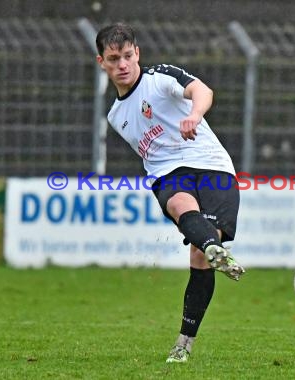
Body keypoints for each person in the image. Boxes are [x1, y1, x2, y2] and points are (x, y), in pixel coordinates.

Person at [95, 23, 246, 364]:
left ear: (138, 54)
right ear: (101, 62)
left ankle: (184, 343)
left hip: (212, 165)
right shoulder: (115, 116)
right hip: (167, 173)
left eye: (128, 56)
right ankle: (212, 247)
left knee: (198, 258)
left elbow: (203, 90)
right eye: (114, 58)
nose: (123, 65)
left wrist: (194, 114)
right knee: (180, 205)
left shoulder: (160, 78)